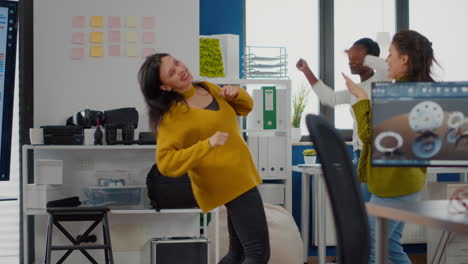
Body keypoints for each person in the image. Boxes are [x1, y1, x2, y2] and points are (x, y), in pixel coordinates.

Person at [138, 53, 270, 264]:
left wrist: (236, 94)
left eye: (177, 62)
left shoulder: (208, 87)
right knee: (257, 254)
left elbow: (247, 108)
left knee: (238, 254)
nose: (180, 69)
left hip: (241, 173)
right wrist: (206, 145)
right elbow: (166, 163)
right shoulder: (174, 116)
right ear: (165, 87)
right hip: (228, 182)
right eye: (172, 72)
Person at [343, 29, 436, 264]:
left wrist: (362, 99)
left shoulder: (399, 94)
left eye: (390, 54)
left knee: (374, 249)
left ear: (404, 59)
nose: (386, 59)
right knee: (391, 248)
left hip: (393, 186)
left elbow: (371, 138)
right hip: (407, 183)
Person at [297, 38, 391, 201]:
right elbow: (329, 98)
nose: (351, 62)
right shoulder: (355, 89)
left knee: (372, 212)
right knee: (363, 208)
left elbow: (385, 66)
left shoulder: (382, 80)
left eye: (356, 58)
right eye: (350, 59)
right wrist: (306, 71)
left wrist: (362, 56)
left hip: (376, 155)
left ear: (370, 58)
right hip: (358, 154)